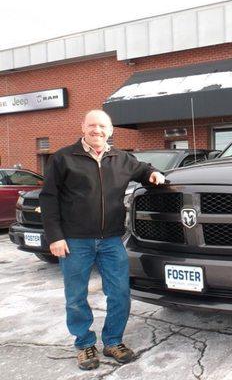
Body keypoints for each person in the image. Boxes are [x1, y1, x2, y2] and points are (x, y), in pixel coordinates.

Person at [40, 109, 165, 370]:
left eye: (102, 126)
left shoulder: (121, 158)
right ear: (83, 127)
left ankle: (113, 341)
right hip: (75, 241)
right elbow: (49, 198)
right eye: (92, 125)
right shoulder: (63, 158)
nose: (97, 130)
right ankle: (85, 344)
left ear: (110, 131)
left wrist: (154, 174)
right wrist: (55, 236)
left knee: (119, 293)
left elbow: (143, 169)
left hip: (110, 241)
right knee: (76, 296)